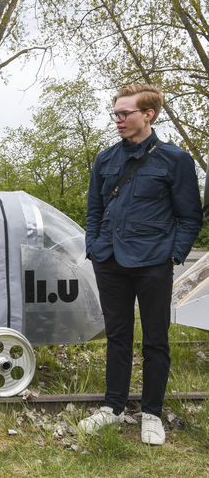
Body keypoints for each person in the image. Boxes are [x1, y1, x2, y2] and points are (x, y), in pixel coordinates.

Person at [79, 84, 202, 445]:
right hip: (109, 261)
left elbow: (190, 216)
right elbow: (94, 210)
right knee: (117, 337)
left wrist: (174, 255)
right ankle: (113, 409)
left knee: (156, 341)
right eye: (115, 113)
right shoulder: (106, 159)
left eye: (124, 113)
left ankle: (151, 414)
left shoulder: (174, 159)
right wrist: (94, 246)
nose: (117, 120)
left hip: (153, 263)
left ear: (148, 114)